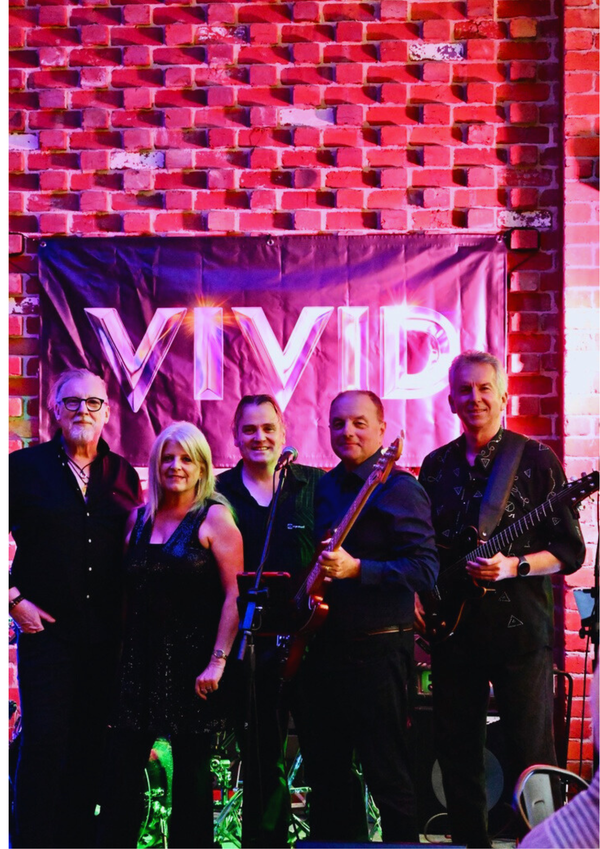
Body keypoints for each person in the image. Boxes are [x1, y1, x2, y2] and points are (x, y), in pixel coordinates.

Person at [418, 351, 587, 849]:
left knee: (531, 751)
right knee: (457, 751)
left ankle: (542, 842)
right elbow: (424, 548)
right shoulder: (435, 466)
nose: (474, 398)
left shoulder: (535, 460)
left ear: (502, 395)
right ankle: (470, 842)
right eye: (464, 390)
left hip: (520, 634)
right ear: (451, 400)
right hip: (453, 632)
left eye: (484, 388)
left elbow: (569, 552)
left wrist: (514, 566)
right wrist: (419, 596)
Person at [297, 389, 439, 844]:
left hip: (379, 653)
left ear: (381, 428)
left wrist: (359, 569)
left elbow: (425, 568)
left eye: (359, 423)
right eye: (338, 423)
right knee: (328, 775)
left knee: (388, 775)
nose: (348, 431)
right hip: (325, 652)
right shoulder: (323, 488)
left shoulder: (401, 489)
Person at [9, 368, 142, 848]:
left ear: (107, 412)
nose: (82, 410)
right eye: (71, 402)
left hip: (105, 639)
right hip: (47, 636)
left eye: (92, 402)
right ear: (55, 410)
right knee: (44, 745)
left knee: (90, 747)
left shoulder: (123, 475)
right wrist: (13, 600)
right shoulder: (22, 469)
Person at [96, 421, 243, 849]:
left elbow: (235, 596)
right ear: (156, 465)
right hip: (137, 664)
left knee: (192, 779)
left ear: (202, 468)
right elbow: (126, 595)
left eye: (186, 459)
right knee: (121, 774)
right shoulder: (137, 519)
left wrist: (217, 661)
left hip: (193, 666)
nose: (176, 466)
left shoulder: (215, 518)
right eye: (168, 458)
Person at [216, 394, 324, 848]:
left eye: (268, 428)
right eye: (249, 430)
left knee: (326, 757)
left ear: (283, 432)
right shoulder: (219, 491)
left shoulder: (315, 485)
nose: (259, 437)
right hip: (252, 647)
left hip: (313, 644)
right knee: (262, 763)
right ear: (235, 436)